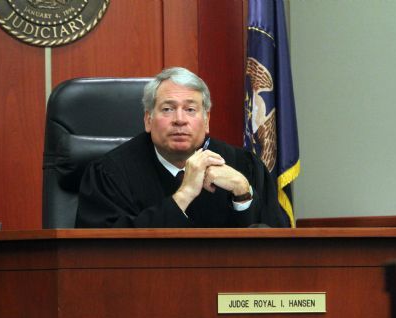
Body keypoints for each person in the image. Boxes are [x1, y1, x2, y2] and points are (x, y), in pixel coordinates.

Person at [75, 67, 286, 228]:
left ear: (206, 120)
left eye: (190, 109)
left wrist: (242, 192)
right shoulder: (111, 173)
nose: (179, 120)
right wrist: (184, 194)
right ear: (148, 120)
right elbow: (104, 253)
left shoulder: (243, 166)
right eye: (167, 109)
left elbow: (278, 249)